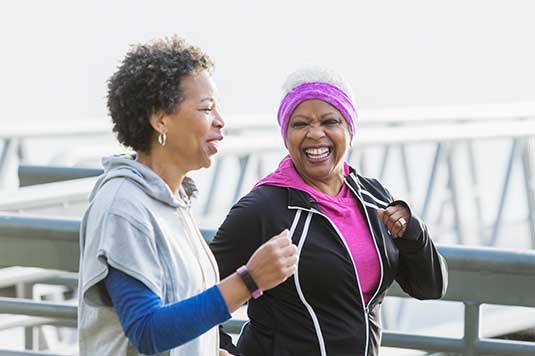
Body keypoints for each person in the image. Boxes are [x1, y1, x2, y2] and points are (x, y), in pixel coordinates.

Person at [77, 36, 298, 356]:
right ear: (160, 119)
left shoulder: (172, 202)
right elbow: (147, 330)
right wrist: (250, 280)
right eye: (206, 108)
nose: (220, 121)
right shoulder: (123, 208)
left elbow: (180, 319)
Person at [211, 67, 448, 356]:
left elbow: (430, 287)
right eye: (300, 124)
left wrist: (413, 231)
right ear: (286, 135)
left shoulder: (373, 197)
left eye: (329, 121)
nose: (315, 133)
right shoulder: (263, 208)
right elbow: (199, 292)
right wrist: (223, 351)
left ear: (349, 129)